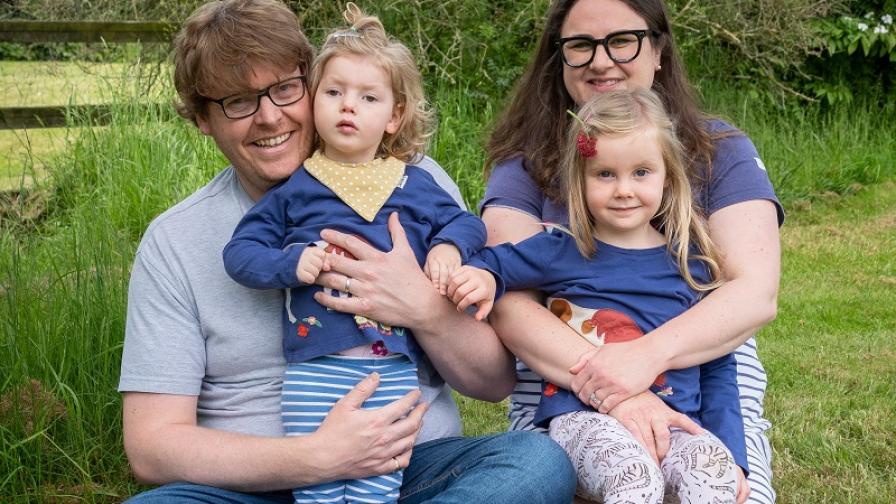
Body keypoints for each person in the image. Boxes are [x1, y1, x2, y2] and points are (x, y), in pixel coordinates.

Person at [117, 0, 576, 502]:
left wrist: (423, 306)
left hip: (413, 471)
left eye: (284, 89)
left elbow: (493, 382)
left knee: (536, 463)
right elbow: (152, 447)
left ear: (309, 84)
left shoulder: (414, 184)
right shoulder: (175, 241)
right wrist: (315, 457)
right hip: (255, 484)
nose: (270, 117)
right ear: (203, 118)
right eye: (237, 101)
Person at [481, 1, 783, 503]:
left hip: (695, 369)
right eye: (580, 46)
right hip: (562, 381)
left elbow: (752, 294)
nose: (601, 61)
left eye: (622, 40)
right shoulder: (526, 163)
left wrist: (645, 359)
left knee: (722, 485)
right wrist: (619, 393)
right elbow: (509, 301)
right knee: (614, 479)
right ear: (559, 59)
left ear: (659, 50)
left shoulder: (719, 150)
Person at [221, 4, 487, 502]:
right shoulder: (296, 190)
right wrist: (289, 264)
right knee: (318, 489)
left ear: (394, 117)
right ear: (313, 103)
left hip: (393, 369)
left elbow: (467, 222)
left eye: (368, 97)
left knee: (379, 487)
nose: (349, 106)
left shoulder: (413, 182)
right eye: (335, 92)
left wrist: (449, 247)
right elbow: (240, 252)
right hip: (314, 368)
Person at [450, 89, 748, 503]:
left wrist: (733, 455)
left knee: (714, 475)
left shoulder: (691, 266)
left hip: (674, 422)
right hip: (582, 420)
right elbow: (496, 264)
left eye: (642, 172)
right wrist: (481, 278)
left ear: (668, 176)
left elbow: (717, 369)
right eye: (605, 174)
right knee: (635, 478)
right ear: (580, 180)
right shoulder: (559, 249)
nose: (624, 189)